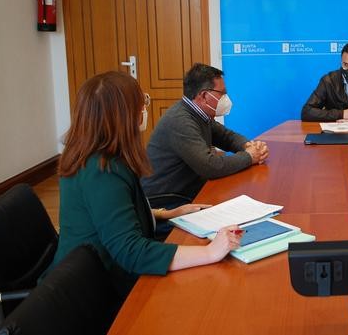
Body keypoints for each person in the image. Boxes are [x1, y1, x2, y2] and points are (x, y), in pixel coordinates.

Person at [49, 71, 242, 297]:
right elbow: (132, 252)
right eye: (141, 103)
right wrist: (210, 252)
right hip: (90, 290)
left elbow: (115, 213)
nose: (144, 110)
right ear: (122, 115)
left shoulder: (99, 156)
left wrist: (167, 213)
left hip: (99, 271)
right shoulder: (102, 170)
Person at [142, 64, 269, 207]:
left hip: (186, 193)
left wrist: (249, 146)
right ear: (203, 96)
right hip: (165, 201)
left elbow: (226, 136)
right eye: (222, 93)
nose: (226, 98)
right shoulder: (180, 120)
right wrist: (250, 156)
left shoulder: (199, 114)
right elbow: (210, 166)